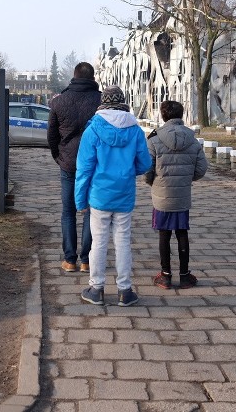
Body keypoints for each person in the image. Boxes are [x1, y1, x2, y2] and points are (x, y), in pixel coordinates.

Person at [75, 86, 152, 306]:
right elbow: (145, 164)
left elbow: (84, 169)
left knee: (98, 242)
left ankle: (96, 288)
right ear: (123, 102)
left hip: (99, 196)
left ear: (103, 103)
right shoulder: (135, 130)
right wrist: (127, 172)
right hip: (124, 195)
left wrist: (80, 200)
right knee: (123, 241)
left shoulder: (93, 130)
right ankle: (125, 291)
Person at [144, 100, 208, 289]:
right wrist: (186, 179)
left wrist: (153, 182)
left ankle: (165, 275)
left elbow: (147, 169)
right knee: (182, 232)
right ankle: (185, 274)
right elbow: (202, 168)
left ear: (163, 116)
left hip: (161, 195)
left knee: (164, 234)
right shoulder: (192, 139)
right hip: (182, 194)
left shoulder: (154, 139)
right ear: (181, 115)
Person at [47, 62, 101, 273]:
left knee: (68, 211)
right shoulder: (100, 101)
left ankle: (70, 260)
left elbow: (51, 135)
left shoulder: (59, 102)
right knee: (91, 211)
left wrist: (58, 156)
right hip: (94, 163)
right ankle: (86, 259)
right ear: (93, 76)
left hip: (68, 163)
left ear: (74, 76)